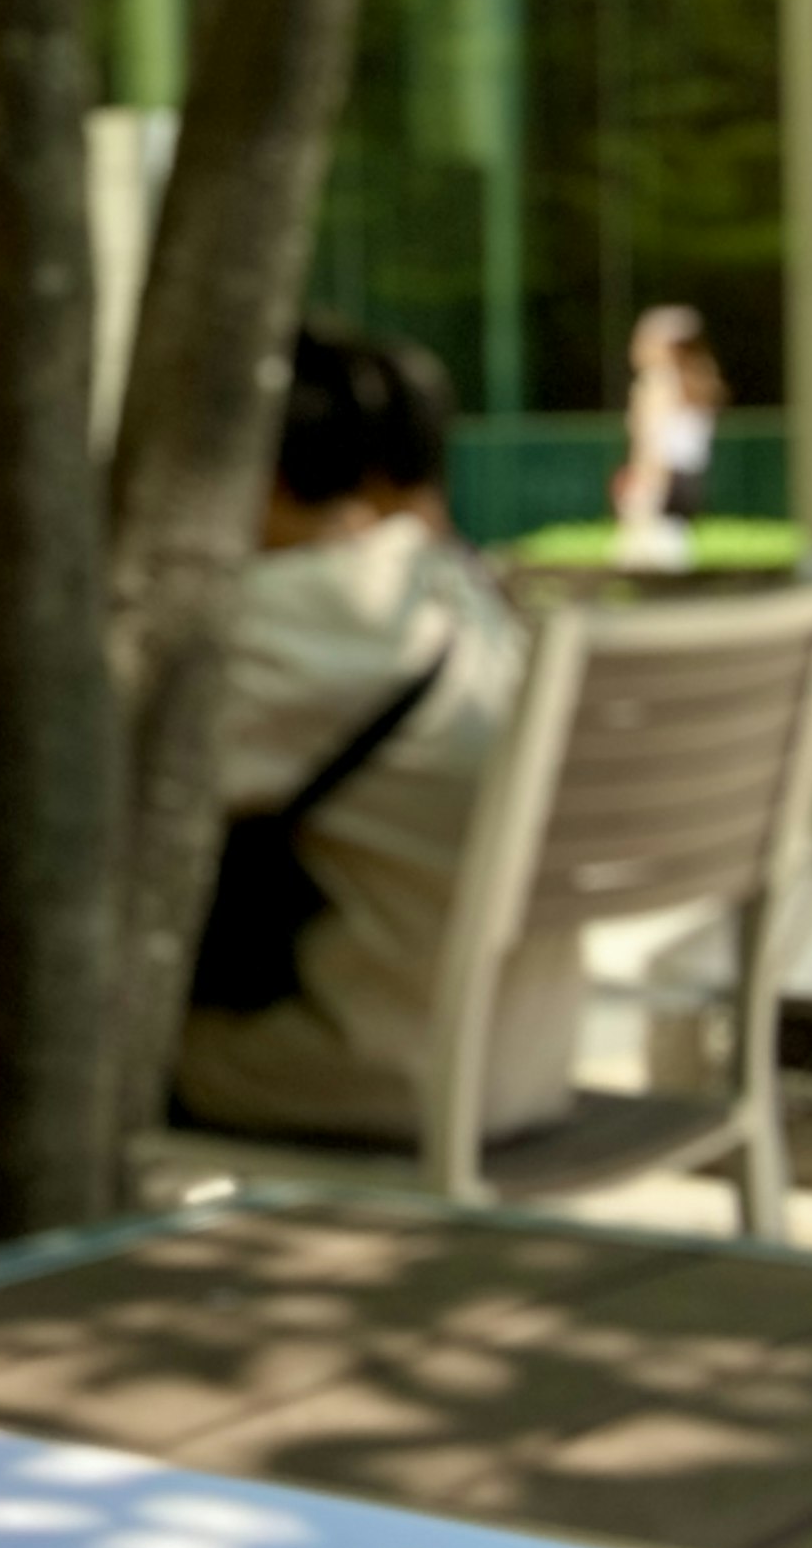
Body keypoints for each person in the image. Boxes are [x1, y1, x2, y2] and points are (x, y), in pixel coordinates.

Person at [176, 325, 584, 1147]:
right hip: (532, 1064)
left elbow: (101, 806)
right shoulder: (456, 589)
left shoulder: (279, 623)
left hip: (378, 1071)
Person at [610, 303, 726, 570]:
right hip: (688, 483)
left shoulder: (656, 382)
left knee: (638, 564)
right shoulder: (694, 382)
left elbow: (652, 444)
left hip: (661, 483)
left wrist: (641, 490)